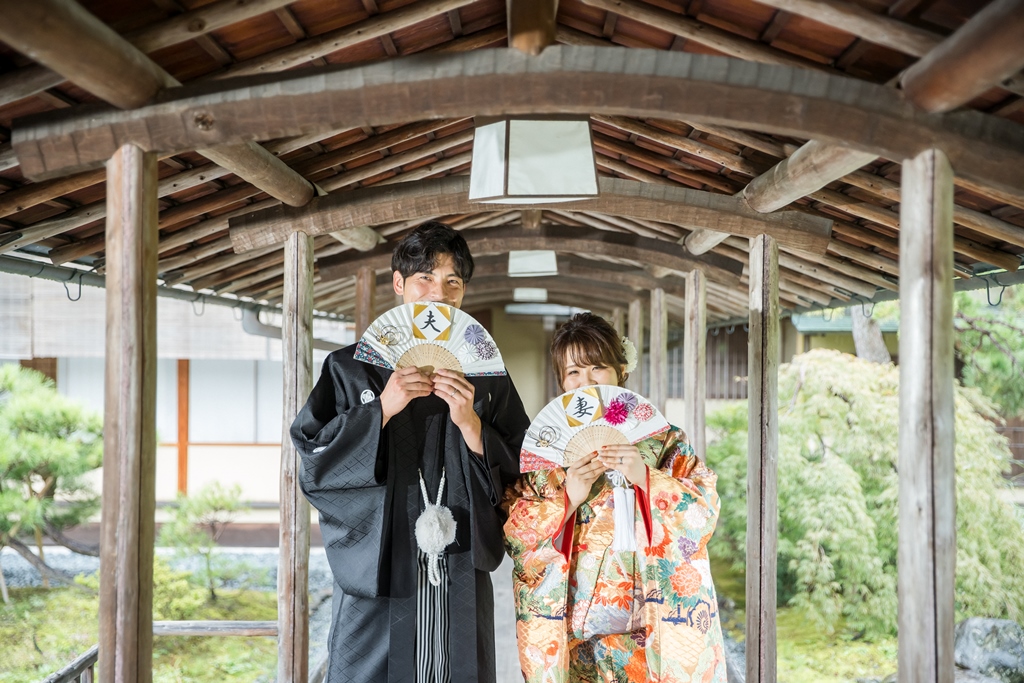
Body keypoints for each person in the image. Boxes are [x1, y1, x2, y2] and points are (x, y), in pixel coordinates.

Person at [291, 221, 530, 683]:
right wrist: (382, 408)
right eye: (425, 278)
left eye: (452, 282)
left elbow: (524, 466)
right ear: (399, 283)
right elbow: (315, 454)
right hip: (379, 555)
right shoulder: (349, 368)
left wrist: (472, 424)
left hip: (459, 553)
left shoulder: (486, 374)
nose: (438, 293)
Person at [504, 312, 727, 682]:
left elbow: (703, 510)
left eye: (598, 368)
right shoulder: (548, 452)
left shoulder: (663, 441)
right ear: (561, 381)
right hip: (575, 621)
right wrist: (567, 499)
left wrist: (645, 476)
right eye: (573, 372)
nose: (586, 382)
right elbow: (516, 532)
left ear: (620, 371)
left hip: (647, 622)